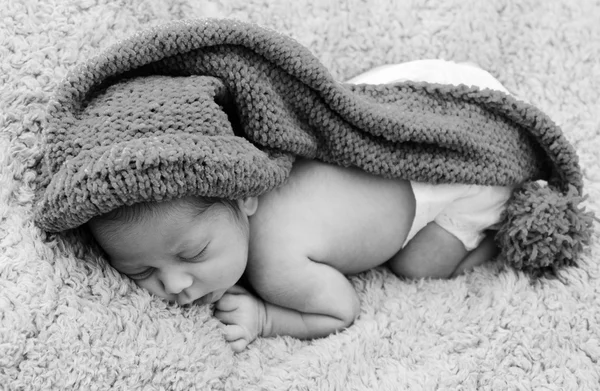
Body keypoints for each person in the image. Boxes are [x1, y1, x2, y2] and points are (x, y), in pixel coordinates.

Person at [87, 60, 514, 353]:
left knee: (418, 264)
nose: (176, 284)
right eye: (141, 272)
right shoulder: (257, 152)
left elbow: (341, 310)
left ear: (245, 196)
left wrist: (266, 319)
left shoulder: (275, 266)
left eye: (194, 252)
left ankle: (497, 234)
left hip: (466, 170)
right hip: (422, 88)